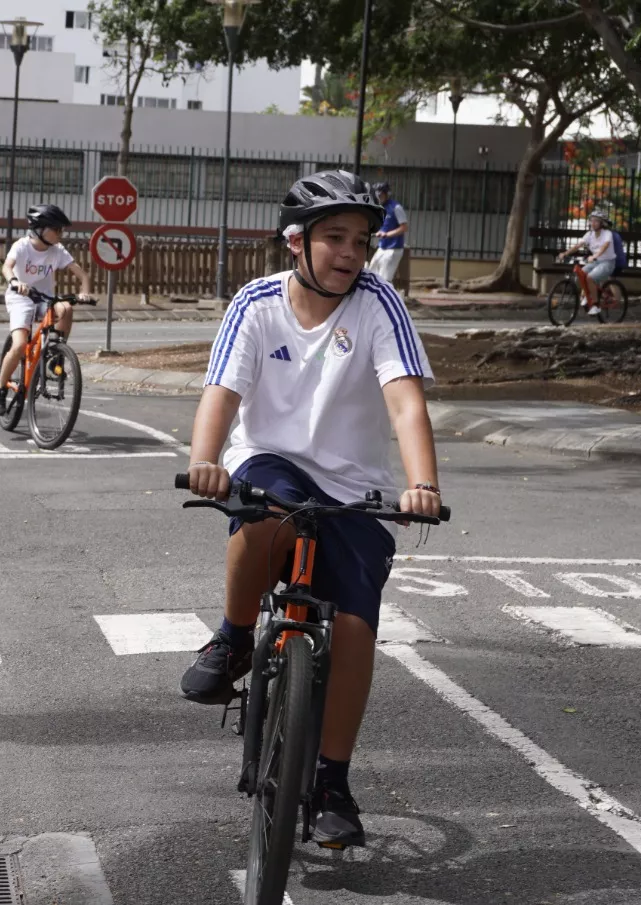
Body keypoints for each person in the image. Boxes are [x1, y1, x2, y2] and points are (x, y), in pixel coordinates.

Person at [180, 169, 443, 848]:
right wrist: (206, 460)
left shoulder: (380, 304)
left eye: (361, 240)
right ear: (295, 241)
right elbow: (221, 392)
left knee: (354, 625)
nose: (351, 252)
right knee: (267, 518)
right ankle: (234, 637)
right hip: (272, 461)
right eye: (335, 238)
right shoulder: (256, 302)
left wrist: (423, 483)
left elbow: (405, 403)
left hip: (356, 489)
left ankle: (332, 781)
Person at [0, 205, 95, 415]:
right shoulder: (22, 246)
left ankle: (56, 353)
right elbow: (6, 267)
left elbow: (83, 276)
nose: (61, 233)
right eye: (56, 229)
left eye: (62, 229)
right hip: (21, 298)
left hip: (45, 298)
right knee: (20, 346)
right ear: (40, 229)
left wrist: (85, 293)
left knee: (66, 308)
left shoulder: (58, 251)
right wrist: (14, 281)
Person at [559, 209, 619, 316]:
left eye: (596, 221)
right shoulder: (589, 234)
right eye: (592, 220)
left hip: (608, 263)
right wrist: (565, 253)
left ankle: (595, 305)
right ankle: (588, 295)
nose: (593, 223)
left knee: (590, 278)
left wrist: (595, 256)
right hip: (596, 262)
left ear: (602, 223)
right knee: (581, 273)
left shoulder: (607, 234)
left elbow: (605, 246)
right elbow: (578, 246)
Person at [366, 181, 409, 283]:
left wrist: (387, 234)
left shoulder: (396, 208)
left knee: (384, 279)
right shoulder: (380, 208)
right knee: (372, 273)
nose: (378, 197)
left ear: (386, 194)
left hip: (393, 249)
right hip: (382, 247)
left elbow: (404, 227)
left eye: (380, 195)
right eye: (376, 195)